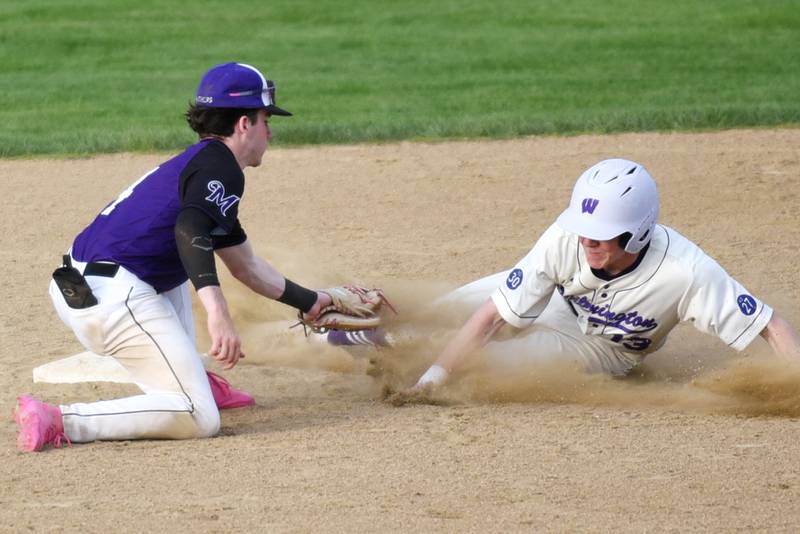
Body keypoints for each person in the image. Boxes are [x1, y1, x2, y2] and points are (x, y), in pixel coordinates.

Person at [15, 62, 338, 452]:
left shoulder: (202, 166)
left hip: (96, 286)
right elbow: (190, 231)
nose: (270, 131)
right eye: (265, 119)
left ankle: (195, 379)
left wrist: (312, 302)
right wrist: (217, 313)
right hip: (113, 302)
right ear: (243, 124)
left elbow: (246, 266)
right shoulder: (221, 169)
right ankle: (61, 419)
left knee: (177, 272)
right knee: (198, 417)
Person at [405, 158, 800, 391]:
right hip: (558, 301)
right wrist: (432, 378)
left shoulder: (687, 273)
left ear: (638, 232)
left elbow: (770, 325)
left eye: (602, 235)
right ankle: (362, 333)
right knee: (441, 316)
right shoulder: (565, 237)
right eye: (584, 230)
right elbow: (493, 315)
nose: (588, 242)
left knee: (488, 365)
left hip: (602, 348)